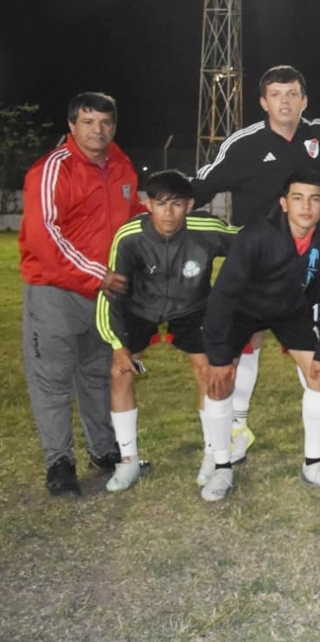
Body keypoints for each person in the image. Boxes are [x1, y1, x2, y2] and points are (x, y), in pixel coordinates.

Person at [193, 65, 320, 465]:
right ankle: (236, 428)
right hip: (252, 266)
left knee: (313, 347)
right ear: (263, 102)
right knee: (245, 344)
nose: (285, 101)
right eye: (276, 95)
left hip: (306, 263)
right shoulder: (244, 144)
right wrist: (165, 204)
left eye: (292, 94)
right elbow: (203, 185)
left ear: (304, 100)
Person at [20, 92, 145, 497]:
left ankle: (104, 450)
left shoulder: (121, 165)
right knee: (52, 382)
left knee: (97, 375)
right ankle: (59, 463)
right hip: (56, 292)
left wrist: (159, 226)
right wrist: (98, 274)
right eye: (88, 122)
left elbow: (131, 217)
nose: (97, 130)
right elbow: (44, 235)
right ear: (72, 125)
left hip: (105, 296)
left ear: (114, 125)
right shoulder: (51, 169)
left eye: (105, 122)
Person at [202, 170, 320, 490]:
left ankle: (314, 464)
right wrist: (218, 358)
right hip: (244, 310)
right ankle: (220, 466)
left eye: (314, 199)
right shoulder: (256, 235)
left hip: (291, 311)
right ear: (284, 203)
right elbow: (222, 295)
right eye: (297, 198)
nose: (306, 207)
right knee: (218, 381)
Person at [95, 172, 237, 500]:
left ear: (190, 204)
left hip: (193, 307)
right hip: (139, 308)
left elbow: (247, 244)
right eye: (161, 204)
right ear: (148, 205)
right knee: (120, 371)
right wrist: (117, 345)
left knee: (209, 372)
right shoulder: (129, 236)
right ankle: (128, 460)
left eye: (177, 204)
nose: (169, 213)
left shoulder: (207, 228)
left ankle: (213, 454)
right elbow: (110, 293)